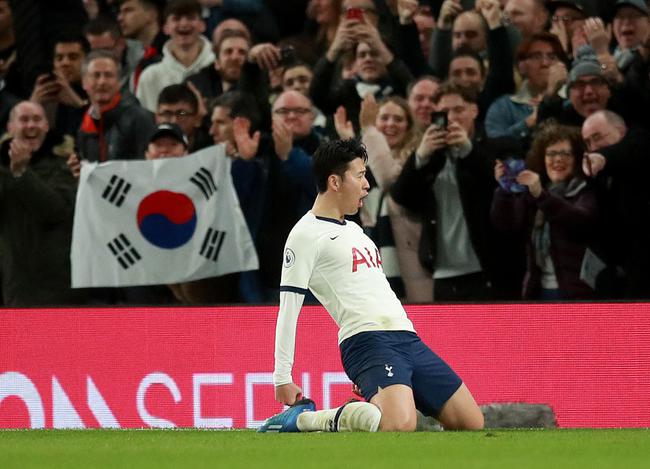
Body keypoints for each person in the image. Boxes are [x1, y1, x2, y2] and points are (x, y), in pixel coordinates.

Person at [257, 138, 483, 433]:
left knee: (471, 422)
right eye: (361, 175)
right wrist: (282, 377)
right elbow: (288, 309)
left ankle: (369, 407)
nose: (366, 185)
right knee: (399, 424)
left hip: (406, 337)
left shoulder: (355, 229)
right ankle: (303, 419)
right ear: (335, 182)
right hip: (366, 340)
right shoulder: (305, 234)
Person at [391, 81, 521, 301]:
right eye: (444, 112)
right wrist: (420, 157)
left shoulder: (500, 146)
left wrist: (469, 150)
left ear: (474, 110)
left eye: (458, 110)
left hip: (492, 271)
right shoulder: (432, 156)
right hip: (443, 274)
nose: (451, 118)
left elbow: (510, 185)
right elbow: (402, 197)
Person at [491, 123, 598, 300]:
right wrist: (505, 188)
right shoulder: (535, 192)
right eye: (551, 153)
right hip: (540, 289)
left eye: (566, 153)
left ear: (577, 158)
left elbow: (580, 221)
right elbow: (507, 224)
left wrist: (542, 196)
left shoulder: (585, 190)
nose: (558, 159)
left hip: (578, 292)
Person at [0, 101, 88, 306]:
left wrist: (22, 174)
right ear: (10, 128)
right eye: (24, 120)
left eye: (37, 119)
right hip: (17, 283)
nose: (31, 125)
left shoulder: (65, 164)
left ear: (47, 126)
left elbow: (56, 211)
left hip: (60, 285)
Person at [581, 110, 650, 298]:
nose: (593, 147)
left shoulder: (640, 144)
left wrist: (602, 158)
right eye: (588, 142)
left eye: (597, 137)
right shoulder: (600, 177)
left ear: (621, 131)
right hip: (624, 268)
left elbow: (633, 149)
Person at [72, 50, 155, 168]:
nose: (102, 82)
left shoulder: (141, 119)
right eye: (96, 75)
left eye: (108, 75)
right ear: (84, 82)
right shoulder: (84, 125)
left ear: (119, 82)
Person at [135, 0, 215, 112]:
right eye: (176, 19)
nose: (184, 24)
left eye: (191, 18)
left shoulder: (218, 68)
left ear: (203, 25)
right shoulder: (150, 77)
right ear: (165, 28)